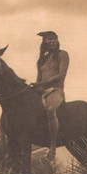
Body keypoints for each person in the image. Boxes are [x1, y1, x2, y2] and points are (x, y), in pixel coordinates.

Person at [29, 31, 69, 162]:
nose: (51, 41)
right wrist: (35, 87)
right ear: (44, 43)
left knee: (51, 110)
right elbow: (38, 79)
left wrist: (42, 83)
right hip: (42, 91)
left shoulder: (63, 55)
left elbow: (61, 75)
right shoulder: (42, 60)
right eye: (48, 39)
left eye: (53, 39)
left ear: (57, 40)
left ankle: (52, 146)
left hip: (56, 91)